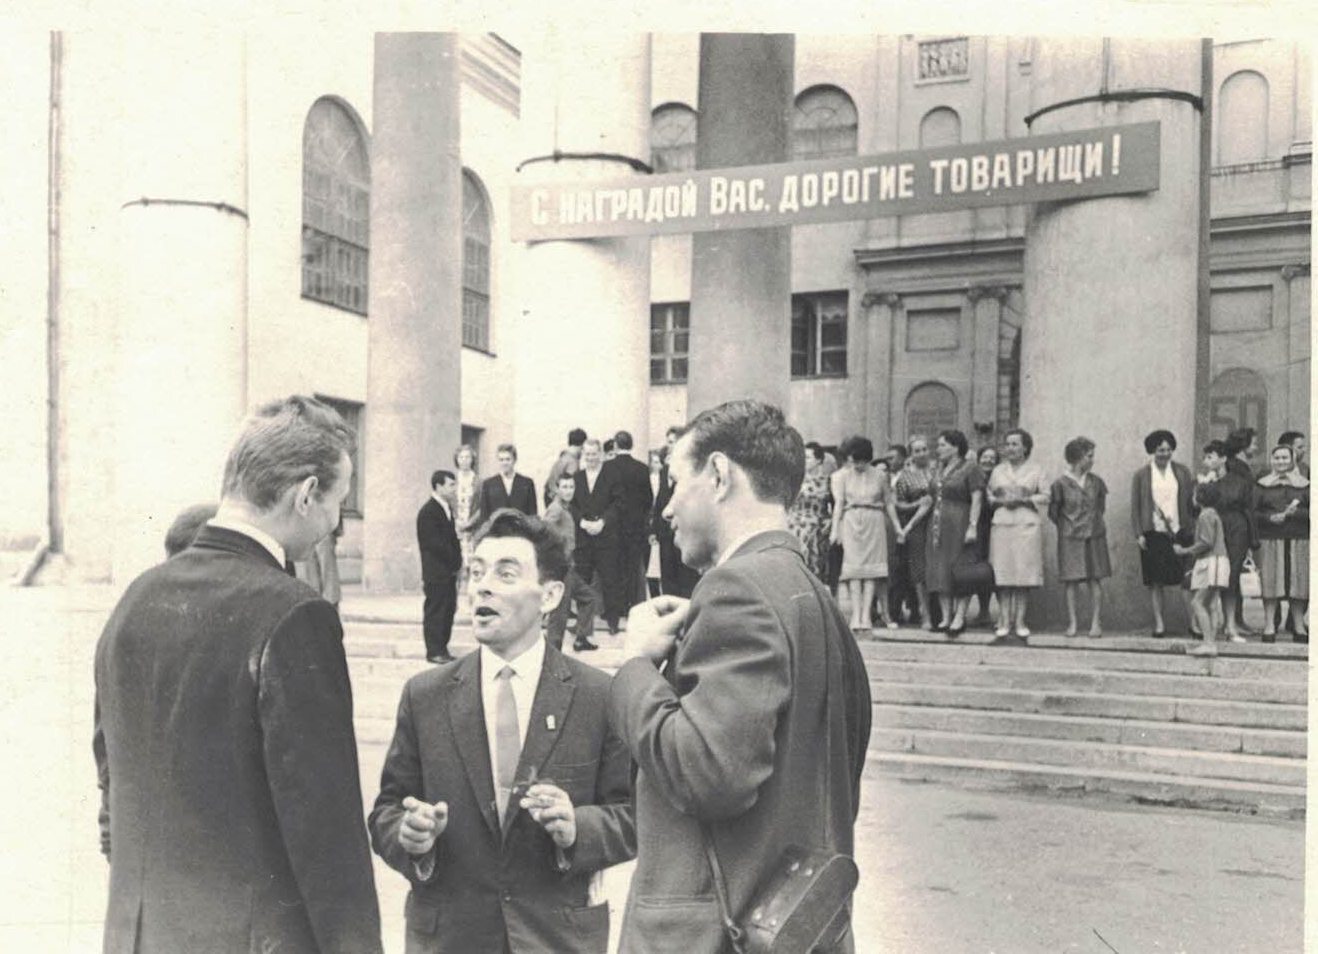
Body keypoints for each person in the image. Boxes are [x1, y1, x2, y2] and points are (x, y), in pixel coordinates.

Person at [92, 395, 382, 954]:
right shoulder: (296, 614)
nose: (333, 523)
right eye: (338, 503)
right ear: (305, 495)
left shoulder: (135, 598)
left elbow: (111, 779)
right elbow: (325, 832)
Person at [607, 399, 871, 954]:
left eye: (675, 484)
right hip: (792, 926)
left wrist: (633, 668)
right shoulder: (812, 594)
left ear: (720, 475)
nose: (666, 509)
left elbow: (709, 775)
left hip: (715, 934)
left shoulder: (737, 590)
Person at [370, 509, 636, 954]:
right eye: (476, 572)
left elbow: (632, 816)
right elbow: (386, 812)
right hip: (452, 939)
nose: (483, 586)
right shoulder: (425, 695)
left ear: (550, 596)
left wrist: (577, 828)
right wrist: (410, 835)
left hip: (556, 939)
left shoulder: (598, 695)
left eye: (505, 573)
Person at [1130, 429, 1197, 638]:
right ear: (1152, 450)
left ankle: (1194, 623)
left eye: (1168, 449)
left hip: (1180, 531)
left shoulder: (1182, 471)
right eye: (1160, 450)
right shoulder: (1142, 474)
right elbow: (1135, 506)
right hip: (1155, 532)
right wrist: (1139, 533)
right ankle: (1159, 623)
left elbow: (1191, 501)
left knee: (1186, 580)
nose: (1165, 454)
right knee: (1156, 581)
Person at [831, 437, 901, 632]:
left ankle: (865, 616)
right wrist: (835, 529)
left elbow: (888, 502)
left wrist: (897, 527)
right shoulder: (842, 476)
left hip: (874, 520)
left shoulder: (879, 475)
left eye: (861, 461)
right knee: (853, 570)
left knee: (871, 571)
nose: (858, 465)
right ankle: (855, 615)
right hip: (852, 520)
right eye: (854, 461)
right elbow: (839, 504)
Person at [987, 428, 1048, 642]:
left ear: (1025, 447)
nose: (1010, 448)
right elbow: (989, 494)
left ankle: (1020, 622)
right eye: (1008, 444)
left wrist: (1025, 498)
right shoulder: (998, 471)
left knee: (1023, 573)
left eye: (1015, 444)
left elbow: (1045, 496)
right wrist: (999, 500)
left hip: (1026, 524)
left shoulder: (1037, 470)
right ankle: (1004, 621)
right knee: (1003, 573)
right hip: (1003, 522)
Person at [1048, 437, 1111, 637]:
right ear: (1077, 458)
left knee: (1095, 579)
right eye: (1089, 456)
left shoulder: (1097, 482)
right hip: (1070, 537)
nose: (1092, 460)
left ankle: (1095, 623)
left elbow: (1101, 507)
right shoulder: (1060, 484)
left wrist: (1092, 522)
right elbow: (1054, 512)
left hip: (1094, 534)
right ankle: (1073, 623)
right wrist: (1068, 526)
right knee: (1071, 580)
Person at [925, 429, 985, 637]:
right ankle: (945, 617)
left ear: (955, 446)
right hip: (937, 524)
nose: (938, 449)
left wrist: (973, 525)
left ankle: (959, 617)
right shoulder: (939, 468)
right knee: (939, 568)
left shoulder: (970, 467)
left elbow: (976, 498)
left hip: (959, 520)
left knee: (960, 569)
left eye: (942, 445)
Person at [1203, 439, 1259, 642]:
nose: (1206, 461)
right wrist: (1205, 485)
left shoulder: (1238, 481)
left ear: (1223, 459)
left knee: (1231, 577)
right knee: (1212, 575)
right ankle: (1210, 623)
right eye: (1205, 457)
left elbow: (1248, 508)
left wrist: (1252, 540)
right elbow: (1195, 506)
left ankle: (1230, 625)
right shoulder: (1204, 481)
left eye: (1211, 457)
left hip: (1236, 529)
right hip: (1213, 529)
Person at [1254, 443, 1309, 643]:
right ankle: (1269, 625)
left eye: (1285, 458)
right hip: (1270, 539)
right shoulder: (1261, 485)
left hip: (1299, 539)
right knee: (1271, 582)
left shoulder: (1305, 484)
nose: (1281, 462)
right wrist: (1269, 518)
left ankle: (1298, 626)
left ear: (1292, 459)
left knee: (1299, 583)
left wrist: (1299, 513)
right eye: (1277, 458)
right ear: (1272, 460)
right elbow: (1253, 512)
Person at [544, 473, 602, 651]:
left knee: (589, 598)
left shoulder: (567, 508)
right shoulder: (556, 509)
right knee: (559, 613)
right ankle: (552, 654)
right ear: (557, 488)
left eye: (571, 487)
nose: (568, 491)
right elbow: (544, 532)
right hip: (560, 568)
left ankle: (581, 637)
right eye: (564, 487)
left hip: (569, 566)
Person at [574, 439, 624, 635]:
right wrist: (582, 522)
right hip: (584, 538)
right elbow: (571, 505)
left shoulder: (612, 476)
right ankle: (583, 626)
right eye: (587, 454)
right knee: (582, 582)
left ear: (601, 454)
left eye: (594, 454)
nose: (591, 458)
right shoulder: (577, 478)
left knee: (610, 579)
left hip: (606, 537)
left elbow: (619, 504)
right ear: (583, 455)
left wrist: (602, 522)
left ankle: (613, 622)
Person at [1175, 481, 1230, 657]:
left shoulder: (1205, 516)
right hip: (1218, 561)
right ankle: (1211, 641)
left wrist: (1184, 550)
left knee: (1197, 602)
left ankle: (1208, 643)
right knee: (1211, 604)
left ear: (1200, 498)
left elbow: (1206, 542)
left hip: (1210, 562)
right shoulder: (1213, 514)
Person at [608, 430, 655, 615]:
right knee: (634, 568)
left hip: (614, 527)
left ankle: (617, 607)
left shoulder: (608, 468)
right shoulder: (642, 469)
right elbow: (648, 499)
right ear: (631, 445)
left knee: (616, 568)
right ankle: (633, 606)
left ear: (615, 445)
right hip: (636, 527)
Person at [418, 469, 463, 664]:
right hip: (436, 572)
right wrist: (453, 558)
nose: (454, 489)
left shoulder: (446, 508)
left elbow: (452, 539)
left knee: (448, 609)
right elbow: (433, 543)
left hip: (448, 571)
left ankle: (442, 648)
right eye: (451, 485)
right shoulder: (428, 511)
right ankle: (434, 650)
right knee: (436, 610)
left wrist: (457, 562)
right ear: (438, 486)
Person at [893, 436, 935, 630]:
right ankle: (924, 613)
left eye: (924, 449)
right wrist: (916, 504)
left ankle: (939, 613)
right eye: (917, 450)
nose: (922, 453)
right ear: (911, 454)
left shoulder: (938, 471)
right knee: (919, 571)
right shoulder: (905, 476)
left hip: (938, 523)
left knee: (937, 567)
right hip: (917, 527)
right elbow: (899, 504)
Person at [653, 426, 700, 598]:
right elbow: (660, 500)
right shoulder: (664, 470)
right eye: (668, 442)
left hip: (683, 530)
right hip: (665, 534)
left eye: (672, 442)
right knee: (667, 575)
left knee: (685, 577)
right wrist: (655, 530)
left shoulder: (690, 470)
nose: (669, 446)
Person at [787, 441, 833, 580]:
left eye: (808, 457)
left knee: (813, 566)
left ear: (818, 460)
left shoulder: (828, 481)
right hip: (793, 526)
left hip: (815, 528)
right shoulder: (793, 480)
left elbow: (835, 504)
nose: (804, 460)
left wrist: (830, 521)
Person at [971, 446, 999, 626]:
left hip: (995, 527)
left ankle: (987, 610)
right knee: (978, 568)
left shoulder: (998, 479)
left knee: (993, 569)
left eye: (992, 458)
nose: (988, 460)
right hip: (978, 527)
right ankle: (981, 610)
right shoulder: (974, 477)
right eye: (984, 457)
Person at [479, 442, 538, 518]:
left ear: (514, 460)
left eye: (508, 459)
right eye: (501, 460)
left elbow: (532, 515)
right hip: (497, 529)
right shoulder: (488, 484)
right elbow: (484, 516)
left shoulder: (527, 483)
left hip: (520, 529)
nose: (504, 463)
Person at [453, 443, 482, 583]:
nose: (464, 460)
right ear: (457, 459)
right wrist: (455, 521)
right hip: (455, 527)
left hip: (472, 529)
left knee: (472, 562)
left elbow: (482, 506)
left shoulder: (478, 481)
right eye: (461, 457)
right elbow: (448, 502)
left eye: (467, 457)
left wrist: (470, 523)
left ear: (472, 460)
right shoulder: (452, 480)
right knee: (454, 561)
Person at [646, 449, 664, 597]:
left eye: (659, 462)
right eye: (654, 462)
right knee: (652, 567)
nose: (657, 465)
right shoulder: (650, 479)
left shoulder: (664, 479)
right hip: (651, 522)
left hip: (659, 525)